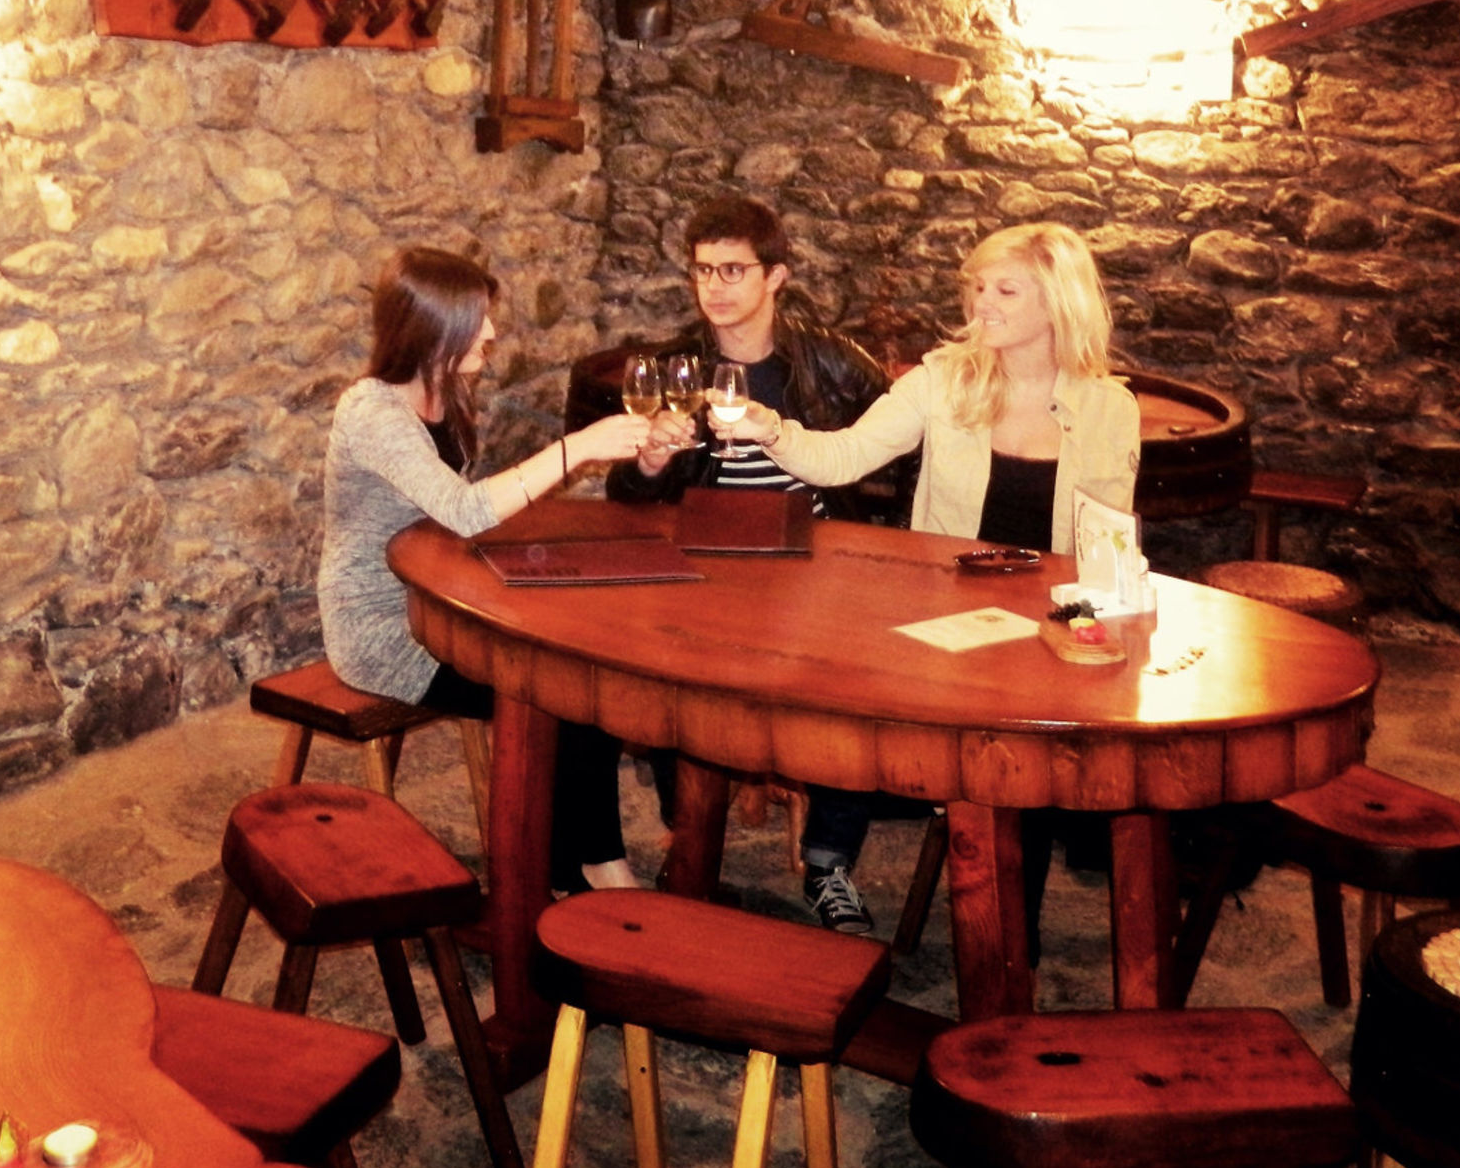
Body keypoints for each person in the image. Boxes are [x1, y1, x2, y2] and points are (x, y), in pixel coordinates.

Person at [726, 220, 1141, 945]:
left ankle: (1009, 942)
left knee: (1036, 751)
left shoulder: (1110, 407)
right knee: (858, 686)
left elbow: (1107, 543)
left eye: (1005, 290)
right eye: (977, 286)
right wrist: (771, 430)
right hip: (941, 609)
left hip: (1043, 627)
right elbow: (842, 457)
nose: (982, 302)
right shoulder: (941, 380)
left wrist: (1099, 625)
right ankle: (827, 862)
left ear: (1058, 301)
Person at [565, 193, 914, 934]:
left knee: (852, 683)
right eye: (702, 271)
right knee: (660, 661)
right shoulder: (677, 366)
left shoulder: (833, 362)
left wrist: (889, 551)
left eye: (733, 270)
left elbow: (899, 452)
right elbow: (630, 495)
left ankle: (828, 862)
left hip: (813, 553)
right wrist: (651, 462)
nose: (715, 287)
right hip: (707, 555)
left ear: (775, 276)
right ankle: (686, 830)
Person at [319, 245, 652, 892]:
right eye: (478, 320)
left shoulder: (443, 390)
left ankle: (580, 864)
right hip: (386, 630)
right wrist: (578, 447)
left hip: (439, 595)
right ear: (431, 326)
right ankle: (571, 872)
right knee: (563, 692)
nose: (492, 332)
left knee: (587, 671)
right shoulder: (372, 413)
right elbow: (466, 510)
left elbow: (460, 516)